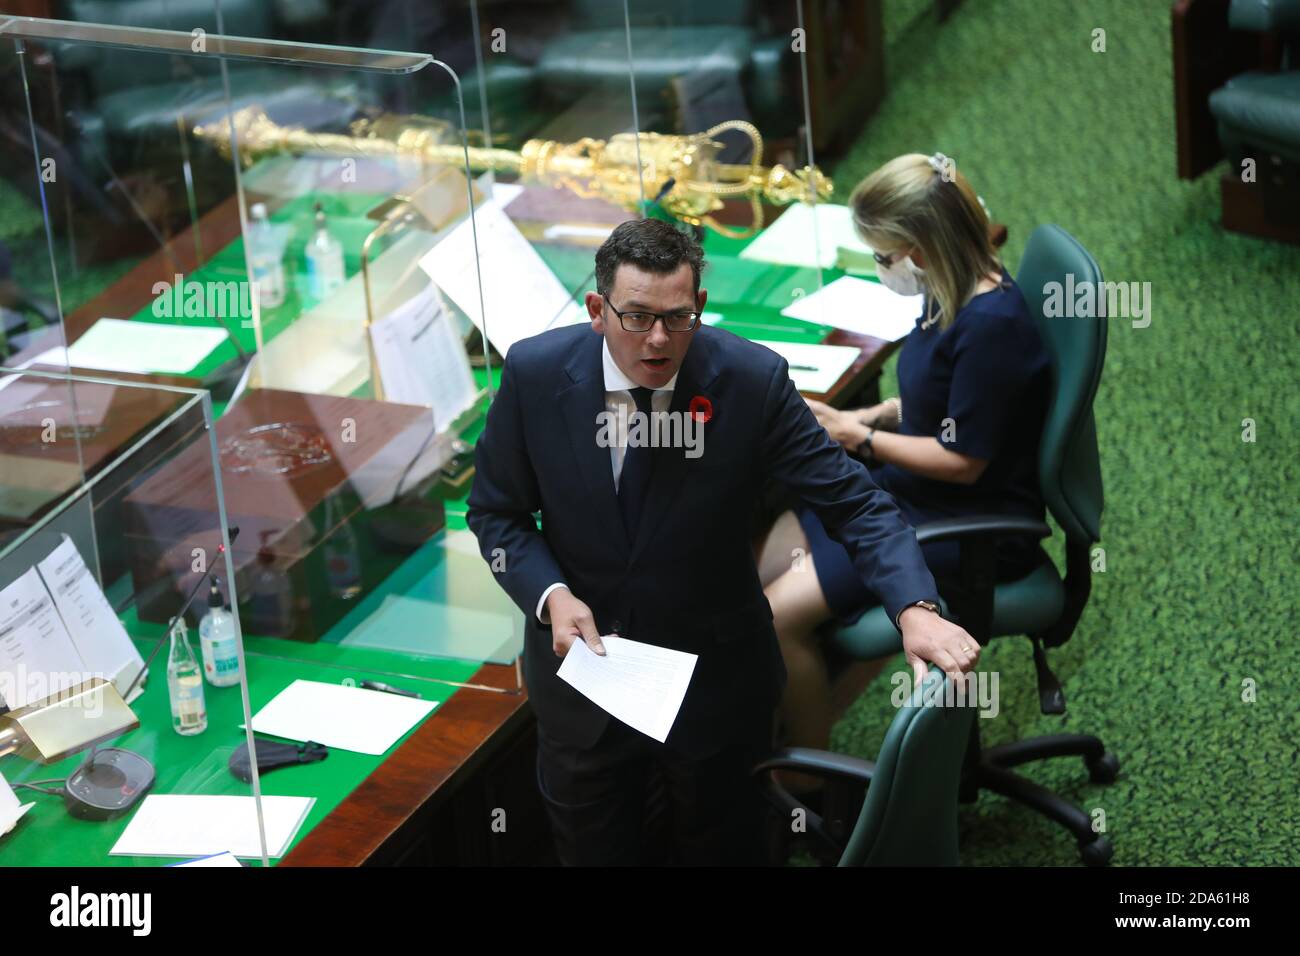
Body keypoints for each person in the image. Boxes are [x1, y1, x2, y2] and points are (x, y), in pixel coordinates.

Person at [466, 217, 981, 866]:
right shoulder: (535, 375)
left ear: (700, 307)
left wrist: (914, 607)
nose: (658, 340)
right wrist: (550, 594)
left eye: (677, 318)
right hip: (587, 688)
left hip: (715, 684)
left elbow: (855, 504)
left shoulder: (750, 380)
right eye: (637, 317)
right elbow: (496, 515)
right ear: (598, 309)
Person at [758, 153, 1052, 782]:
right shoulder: (949, 287)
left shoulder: (991, 325)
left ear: (921, 248)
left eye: (884, 256)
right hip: (915, 491)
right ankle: (799, 710)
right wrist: (876, 413)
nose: (881, 268)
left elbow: (964, 460)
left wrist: (857, 438)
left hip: (970, 522)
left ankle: (809, 787)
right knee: (767, 563)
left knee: (776, 618)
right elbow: (939, 401)